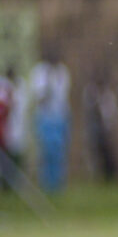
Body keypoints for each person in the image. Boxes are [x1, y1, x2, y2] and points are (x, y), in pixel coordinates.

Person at [29, 48, 71, 194]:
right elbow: (40, 98)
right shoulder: (39, 72)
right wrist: (48, 80)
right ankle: (46, 185)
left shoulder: (62, 72)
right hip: (45, 117)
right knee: (46, 152)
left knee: (58, 153)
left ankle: (58, 186)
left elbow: (63, 95)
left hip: (59, 116)